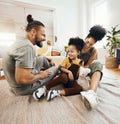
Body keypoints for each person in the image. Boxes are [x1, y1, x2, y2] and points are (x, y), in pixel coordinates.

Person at [3, 14, 58, 95]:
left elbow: (28, 57)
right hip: (24, 88)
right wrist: (41, 75)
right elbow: (22, 79)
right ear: (33, 32)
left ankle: (49, 72)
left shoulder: (22, 41)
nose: (45, 38)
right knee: (56, 68)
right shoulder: (27, 47)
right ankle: (54, 73)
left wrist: (45, 57)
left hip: (14, 83)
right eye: (43, 35)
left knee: (42, 58)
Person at [79, 25, 106, 110]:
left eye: (91, 44)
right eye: (87, 42)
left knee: (98, 64)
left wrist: (85, 70)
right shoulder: (77, 44)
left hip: (85, 71)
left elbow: (88, 66)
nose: (88, 45)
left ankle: (91, 94)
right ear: (85, 37)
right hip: (75, 70)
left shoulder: (93, 51)